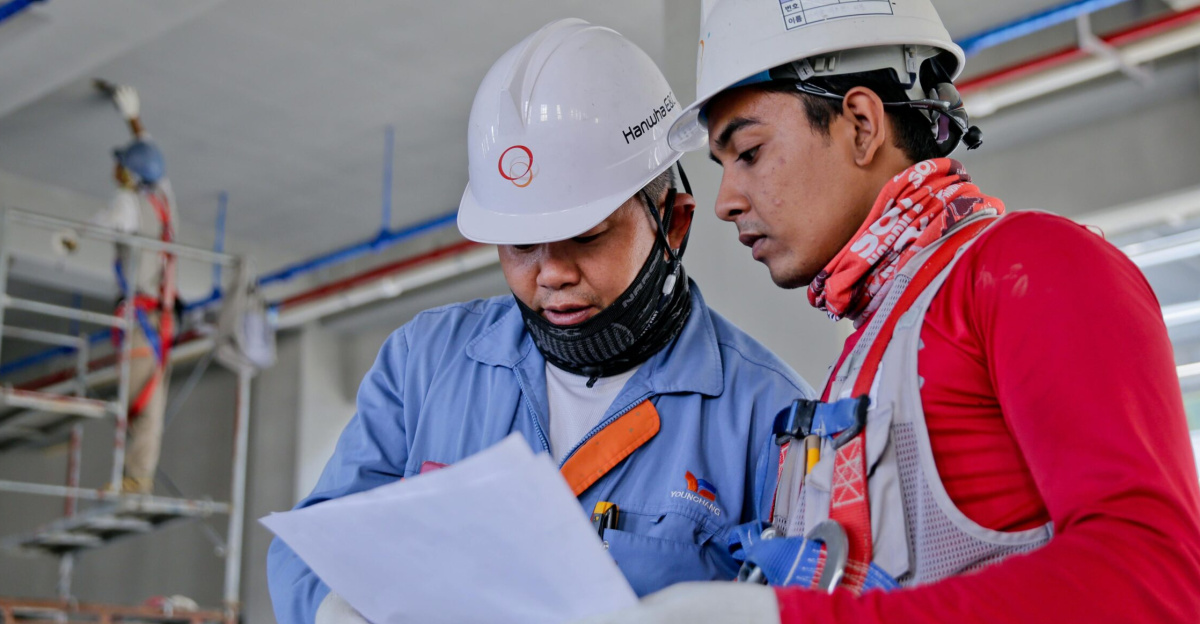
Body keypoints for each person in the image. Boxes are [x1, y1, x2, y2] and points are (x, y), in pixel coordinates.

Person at [578, 0, 1200, 622]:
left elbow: (1155, 577)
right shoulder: (872, 349)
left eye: (748, 153)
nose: (726, 202)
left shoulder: (1031, 267)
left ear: (860, 123)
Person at [267, 18, 813, 624]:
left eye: (585, 237)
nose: (550, 273)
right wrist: (329, 609)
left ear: (674, 223)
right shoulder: (423, 365)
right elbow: (311, 543)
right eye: (520, 245)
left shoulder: (771, 417)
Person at [92, 83, 179, 495]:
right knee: (147, 400)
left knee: (137, 403)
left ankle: (132, 480)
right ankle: (135, 477)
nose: (116, 170)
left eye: (121, 165)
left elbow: (103, 220)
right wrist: (133, 118)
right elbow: (150, 157)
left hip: (142, 320)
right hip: (158, 317)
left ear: (129, 174)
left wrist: (70, 238)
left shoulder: (128, 205)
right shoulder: (162, 197)